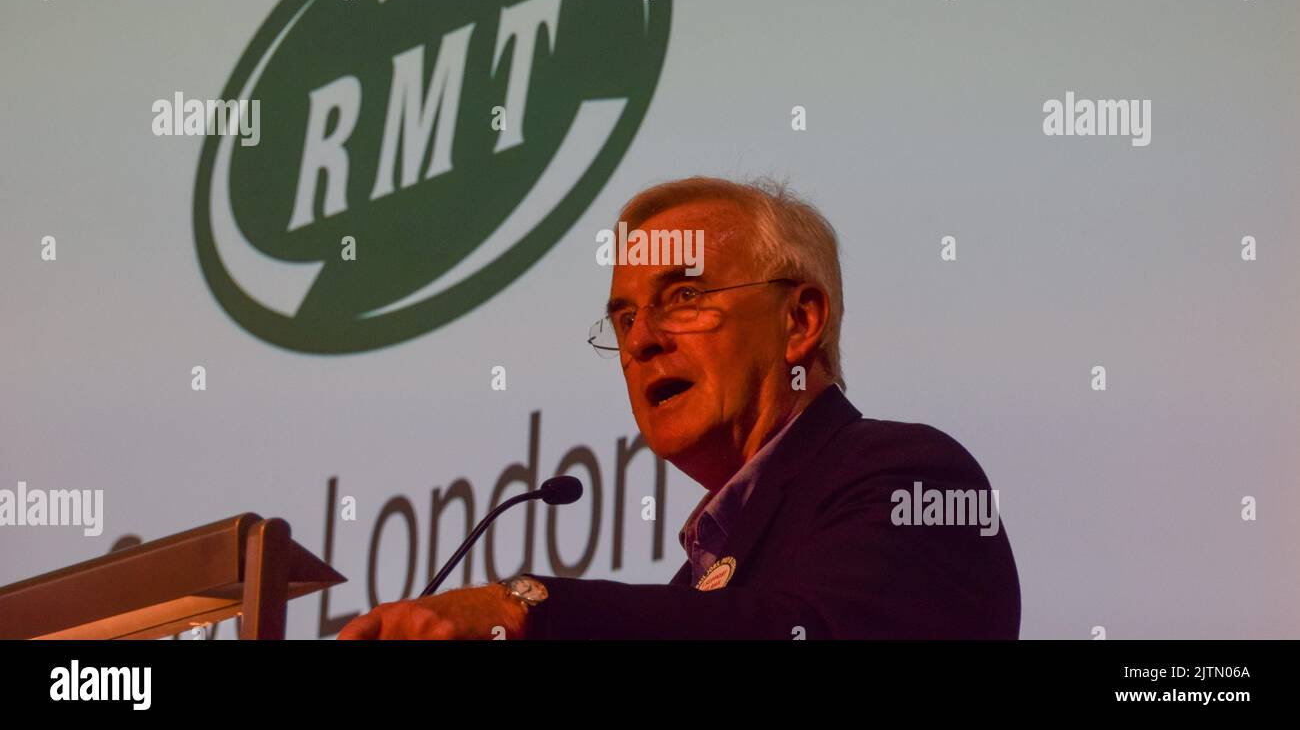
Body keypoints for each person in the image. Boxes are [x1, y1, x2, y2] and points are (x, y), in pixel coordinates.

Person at [339, 176, 1020, 639]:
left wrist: (525, 607)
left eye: (684, 297)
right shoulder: (693, 581)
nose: (640, 338)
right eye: (625, 316)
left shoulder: (912, 476)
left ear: (799, 321)